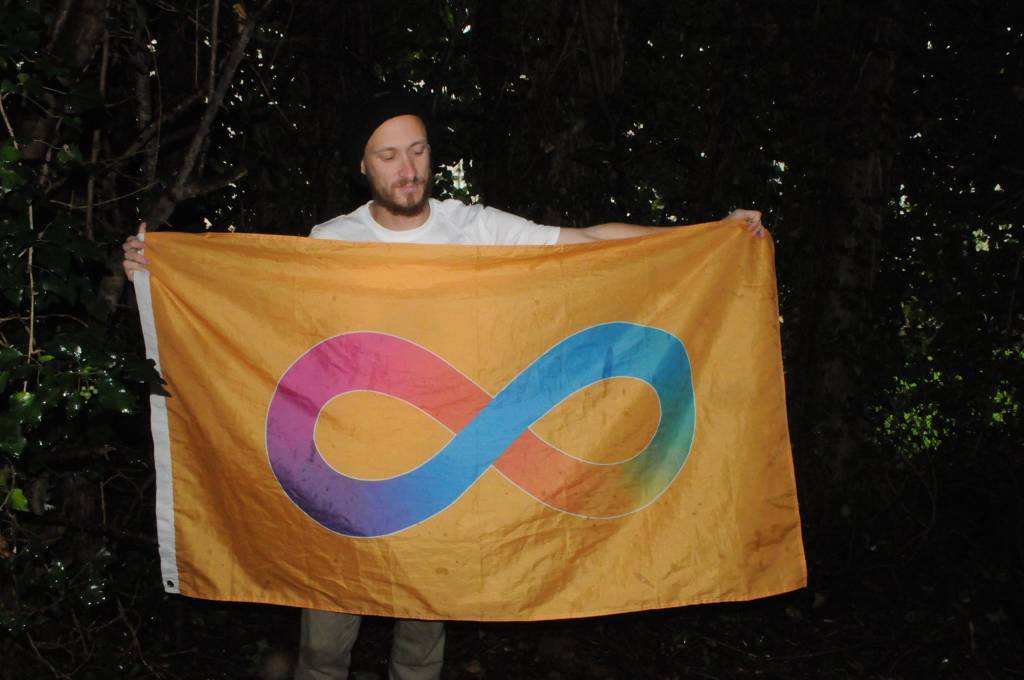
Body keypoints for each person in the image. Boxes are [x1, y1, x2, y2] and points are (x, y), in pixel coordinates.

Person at [122, 91, 765, 680]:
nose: (408, 169)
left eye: (419, 150)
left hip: (444, 473)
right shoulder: (332, 243)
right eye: (389, 155)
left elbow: (590, 244)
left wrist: (710, 240)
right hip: (344, 475)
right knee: (323, 647)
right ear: (364, 167)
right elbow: (260, 315)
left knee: (422, 646)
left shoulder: (475, 229)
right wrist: (162, 274)